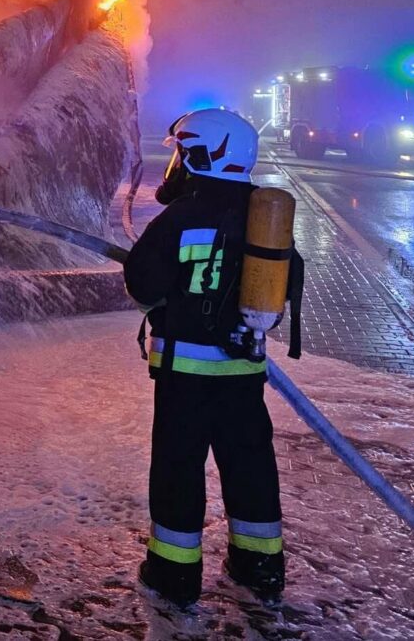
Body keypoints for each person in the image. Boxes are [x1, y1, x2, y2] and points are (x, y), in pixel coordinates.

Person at [123, 108, 303, 606]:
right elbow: (286, 285)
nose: (176, 164)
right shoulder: (265, 215)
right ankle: (260, 566)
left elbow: (143, 284)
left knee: (179, 469)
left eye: (182, 153)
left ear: (202, 155)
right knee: (250, 465)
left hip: (186, 375)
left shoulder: (181, 216)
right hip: (244, 374)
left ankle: (174, 574)